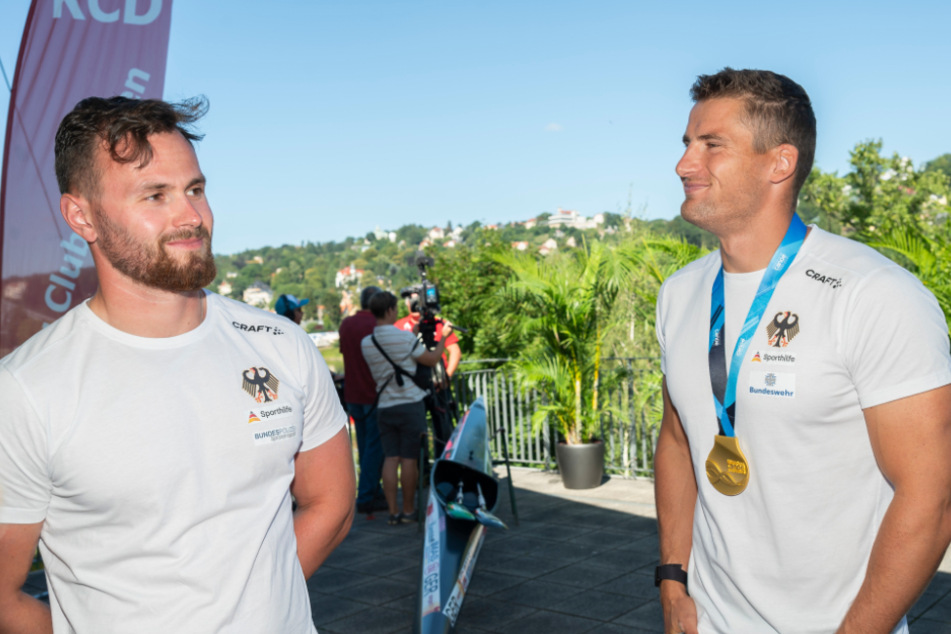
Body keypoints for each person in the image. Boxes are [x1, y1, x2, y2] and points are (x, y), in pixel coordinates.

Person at [0, 96, 355, 633]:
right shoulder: (26, 390)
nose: (191, 216)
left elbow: (331, 504)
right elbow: (4, 596)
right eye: (155, 195)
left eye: (195, 189)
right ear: (81, 216)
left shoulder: (281, 345)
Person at [654, 68, 951, 634]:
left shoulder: (874, 295)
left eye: (711, 145)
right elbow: (676, 438)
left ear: (780, 163)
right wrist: (672, 578)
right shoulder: (680, 293)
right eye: (687, 144)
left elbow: (931, 500)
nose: (685, 164)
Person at [361, 291, 451, 525]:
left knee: (391, 458)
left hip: (384, 407)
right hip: (410, 404)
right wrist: (443, 338)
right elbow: (430, 360)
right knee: (409, 458)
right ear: (390, 310)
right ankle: (409, 511)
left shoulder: (367, 343)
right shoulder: (404, 338)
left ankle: (393, 513)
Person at [338, 285, 388, 515]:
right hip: (373, 393)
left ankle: (370, 491)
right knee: (374, 449)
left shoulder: (346, 324)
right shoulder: (376, 326)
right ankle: (367, 495)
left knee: (364, 446)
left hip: (352, 394)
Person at [395, 293, 461, 452]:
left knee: (443, 426)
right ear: (407, 304)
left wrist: (448, 376)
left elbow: (455, 351)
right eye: (413, 300)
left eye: (419, 300)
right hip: (414, 386)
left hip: (439, 384)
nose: (416, 304)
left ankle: (445, 463)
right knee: (416, 429)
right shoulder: (399, 326)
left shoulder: (439, 324)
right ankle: (421, 468)